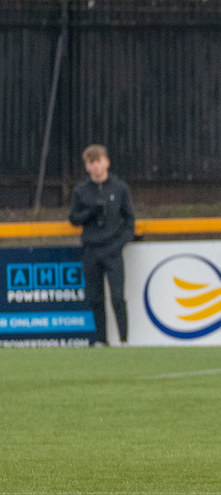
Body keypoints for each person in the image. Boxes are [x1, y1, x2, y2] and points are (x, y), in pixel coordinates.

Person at [68, 144, 135, 347]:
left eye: (98, 161)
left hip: (113, 249)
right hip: (91, 250)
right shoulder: (81, 191)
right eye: (91, 163)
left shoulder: (120, 188)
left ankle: (124, 340)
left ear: (106, 162)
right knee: (95, 298)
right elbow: (73, 218)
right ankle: (101, 340)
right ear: (87, 166)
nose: (96, 166)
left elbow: (129, 220)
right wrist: (91, 212)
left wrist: (120, 243)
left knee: (117, 297)